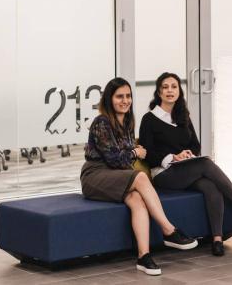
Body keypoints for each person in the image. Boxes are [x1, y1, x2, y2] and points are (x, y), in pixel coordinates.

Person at [138, 72, 232, 257]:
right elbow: (147, 153)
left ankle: (217, 239)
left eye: (174, 87)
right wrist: (173, 157)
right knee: (205, 163)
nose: (170, 91)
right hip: (164, 174)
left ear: (179, 92)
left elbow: (195, 145)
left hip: (186, 170)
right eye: (165, 87)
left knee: (210, 186)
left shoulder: (183, 116)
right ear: (158, 92)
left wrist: (189, 154)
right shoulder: (149, 119)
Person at [81, 77, 198, 276]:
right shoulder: (102, 122)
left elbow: (122, 161)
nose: (125, 100)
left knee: (137, 201)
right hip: (95, 175)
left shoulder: (127, 121)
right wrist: (136, 153)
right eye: (119, 97)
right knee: (141, 178)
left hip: (117, 175)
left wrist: (132, 153)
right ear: (109, 99)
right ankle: (168, 230)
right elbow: (114, 159)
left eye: (128, 96)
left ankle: (143, 257)